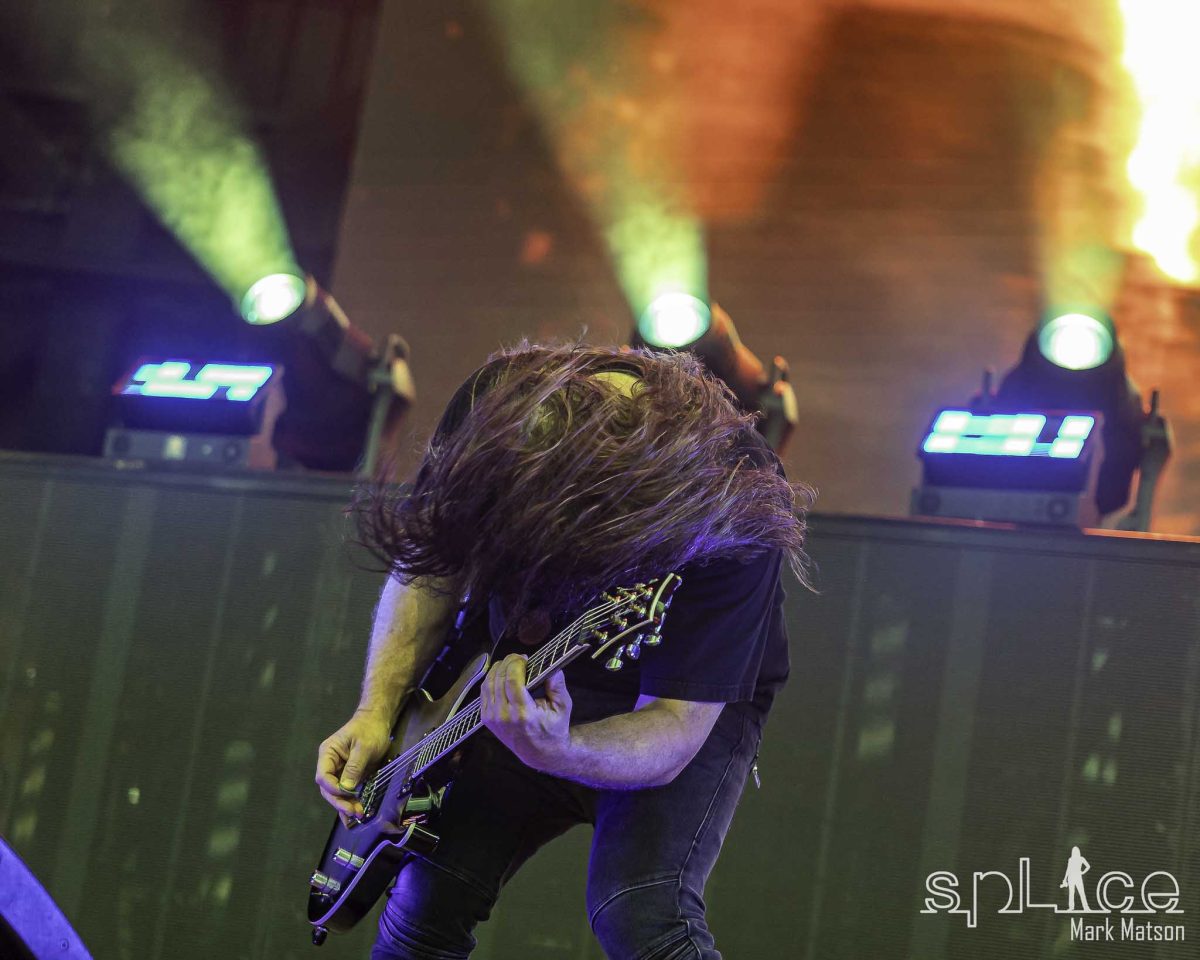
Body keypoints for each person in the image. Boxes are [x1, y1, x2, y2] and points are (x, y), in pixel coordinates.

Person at [315, 342, 812, 960]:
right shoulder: (489, 407)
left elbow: (677, 726)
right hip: (508, 677)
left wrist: (558, 749)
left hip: (681, 696)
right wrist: (375, 710)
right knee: (423, 906)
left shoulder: (736, 494)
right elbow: (431, 567)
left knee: (640, 915)